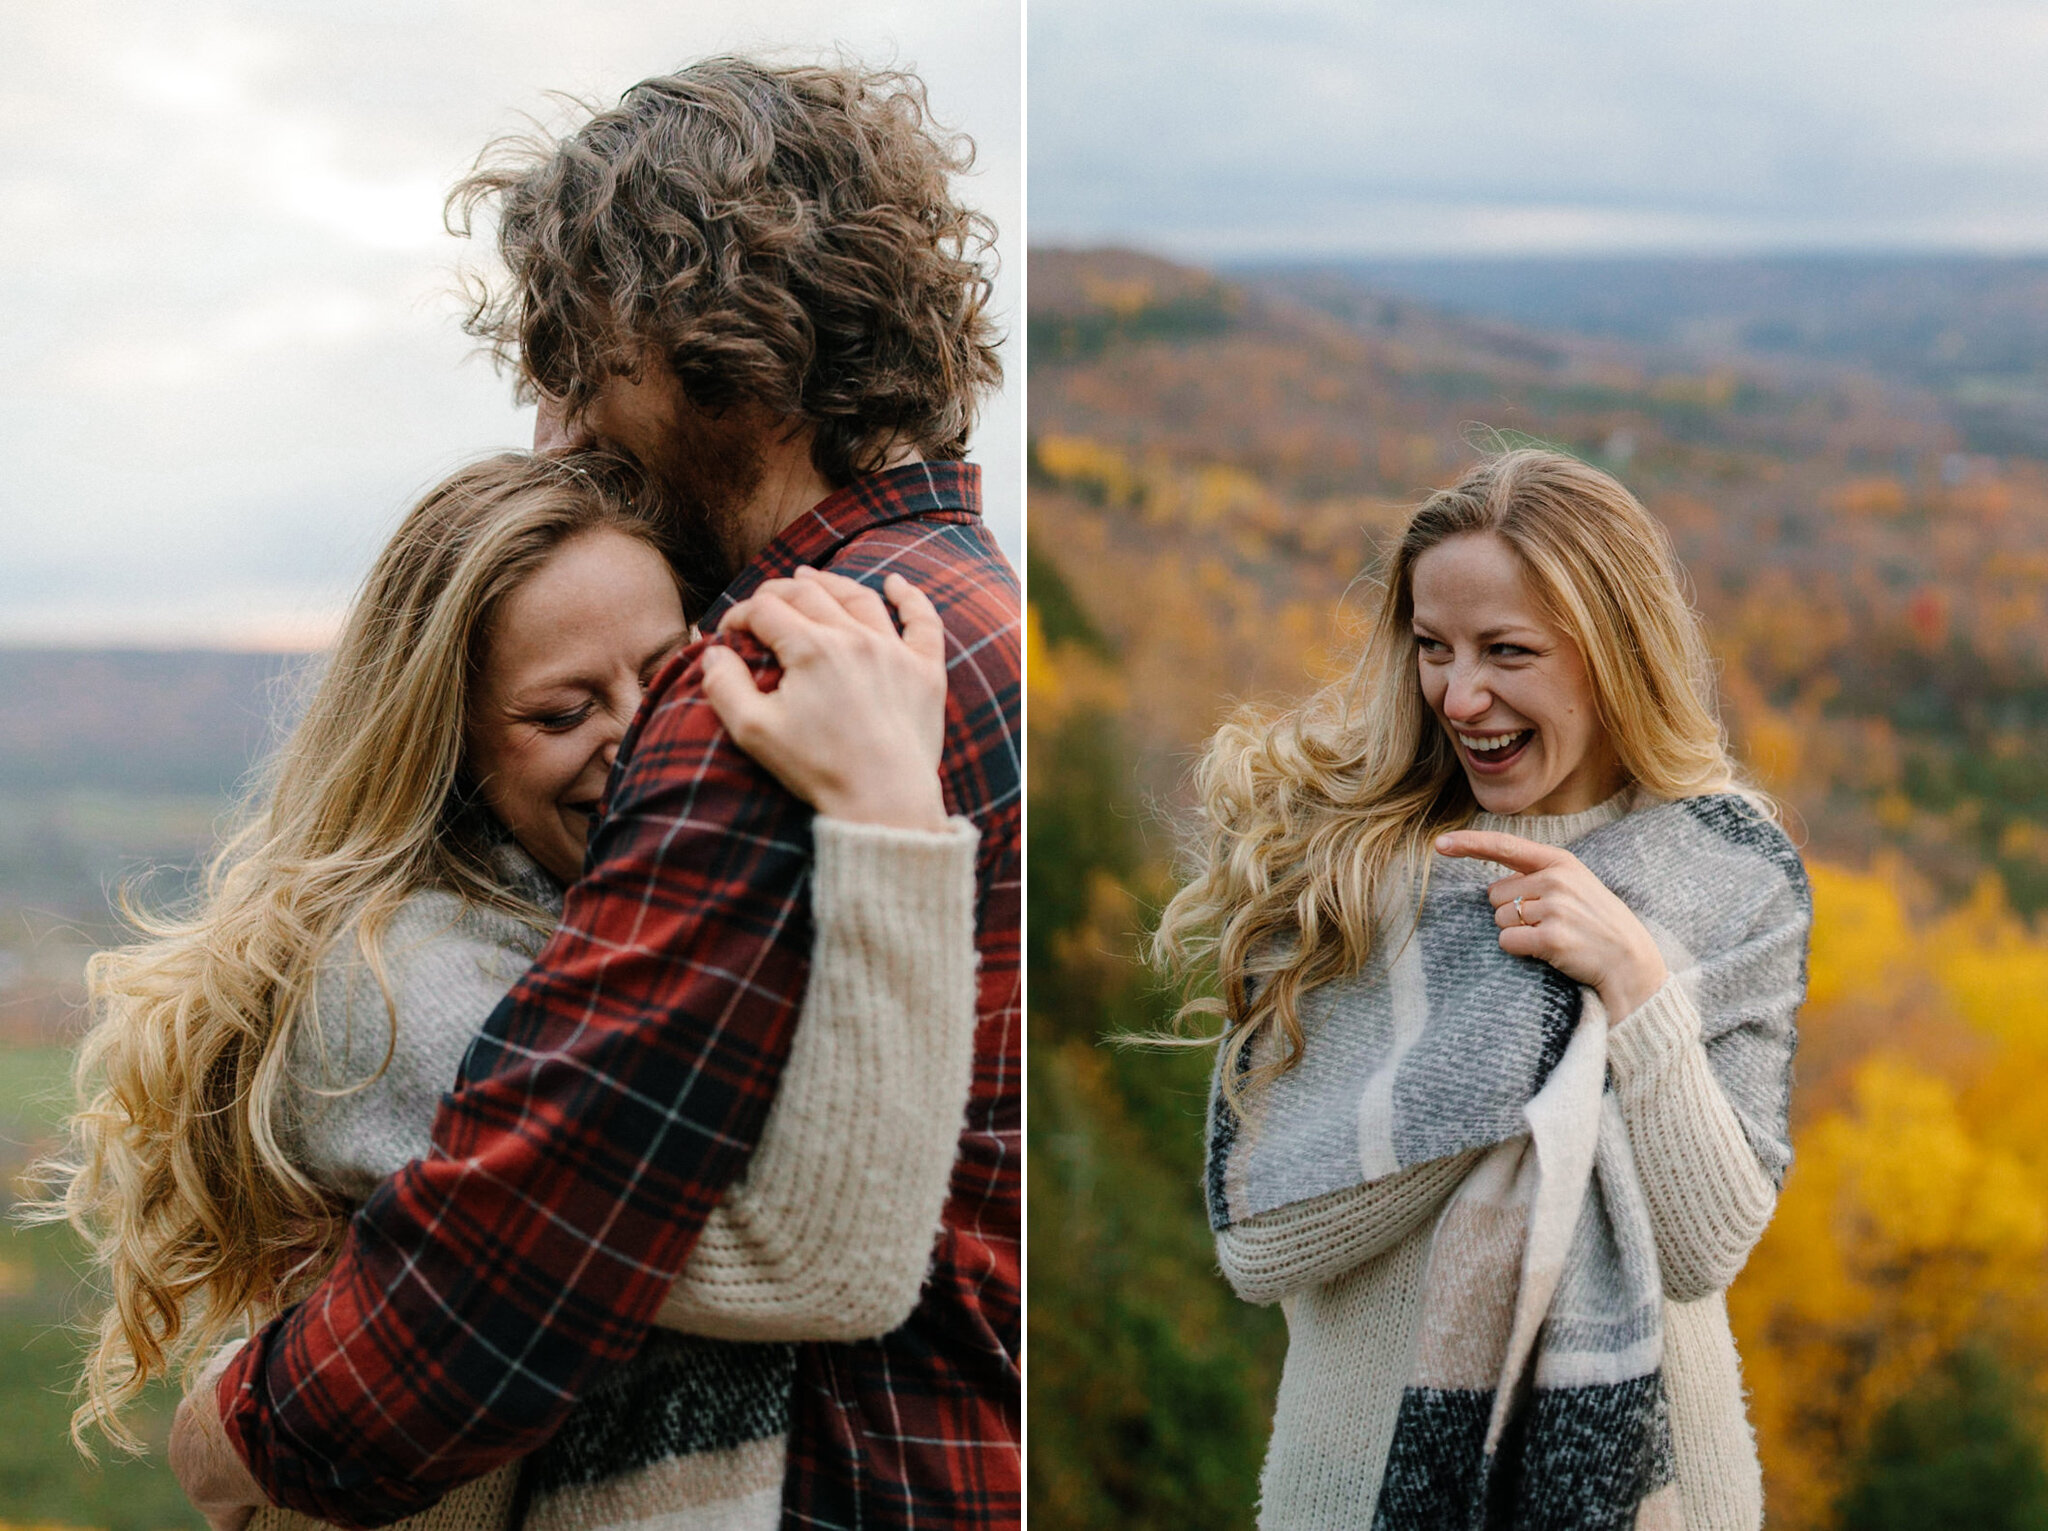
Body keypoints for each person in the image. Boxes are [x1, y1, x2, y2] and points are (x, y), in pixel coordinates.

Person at [168, 57, 1019, 1531]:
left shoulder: (763, 684)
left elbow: (537, 1235)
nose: (555, 423)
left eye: (575, 362)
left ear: (700, 342)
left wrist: (253, 1421)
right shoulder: (976, 605)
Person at [49, 450, 980, 1531]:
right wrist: (891, 817)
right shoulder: (395, 985)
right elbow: (802, 1261)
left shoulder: (601, 911)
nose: (637, 741)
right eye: (560, 713)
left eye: (673, 675)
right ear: (451, 751)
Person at [1154, 449, 1808, 1530]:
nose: (1460, 696)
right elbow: (1262, 1239)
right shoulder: (1340, 868)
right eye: (1431, 648)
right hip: (1353, 1487)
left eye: (1507, 652)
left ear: (1614, 652)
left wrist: (1634, 986)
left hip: (1661, 1492)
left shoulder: (1725, 872)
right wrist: (1538, 1029)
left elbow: (1704, 1245)